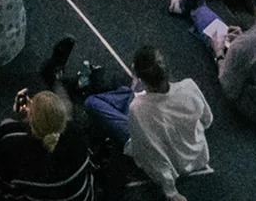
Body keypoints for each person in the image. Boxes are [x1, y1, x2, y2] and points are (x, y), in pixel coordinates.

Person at [84, 46, 212, 201]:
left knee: (93, 102)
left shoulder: (138, 109)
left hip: (170, 163)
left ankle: (105, 89)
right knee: (127, 93)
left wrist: (171, 192)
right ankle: (116, 91)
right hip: (197, 156)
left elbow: (155, 156)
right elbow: (207, 120)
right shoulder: (190, 86)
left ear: (138, 76)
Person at [0, 88, 90, 201]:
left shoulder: (12, 140)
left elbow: (4, 185)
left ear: (30, 121)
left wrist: (18, 117)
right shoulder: (77, 134)